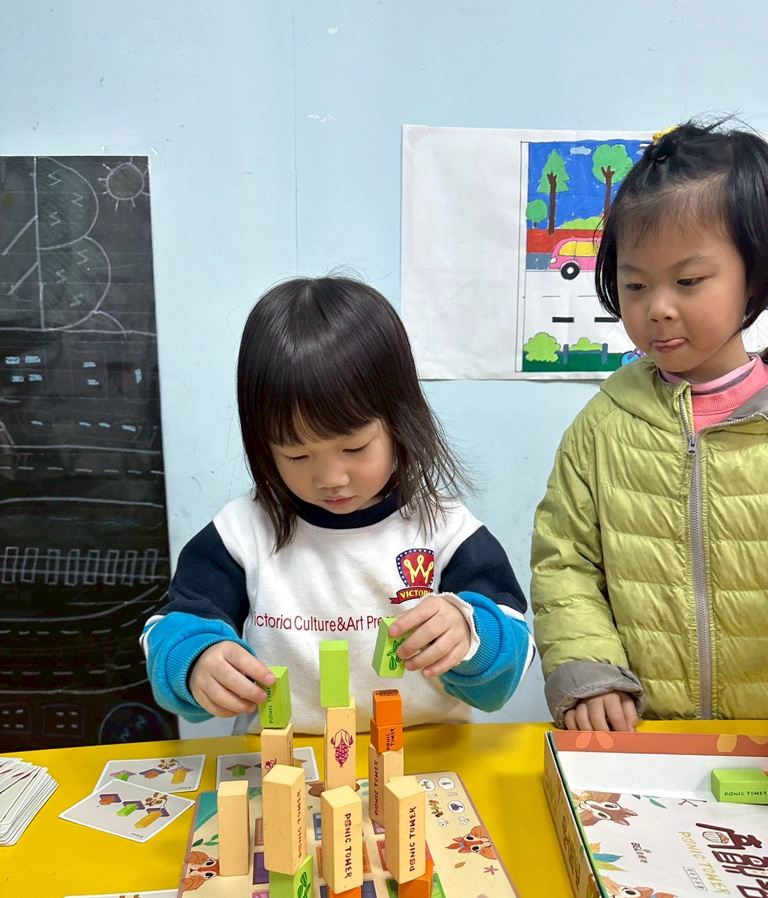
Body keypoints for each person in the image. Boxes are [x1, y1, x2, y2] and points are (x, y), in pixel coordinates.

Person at [143, 276, 534, 733]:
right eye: (296, 455)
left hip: (423, 757)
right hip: (287, 759)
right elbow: (172, 629)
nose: (330, 478)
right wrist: (196, 661)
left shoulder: (446, 531)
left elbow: (508, 663)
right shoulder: (240, 534)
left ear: (400, 421)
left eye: (354, 448)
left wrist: (471, 637)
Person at [531, 119, 768, 731]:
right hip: (644, 737)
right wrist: (591, 671)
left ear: (754, 275)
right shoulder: (603, 426)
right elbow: (565, 562)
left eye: (688, 282)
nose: (657, 307)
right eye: (635, 284)